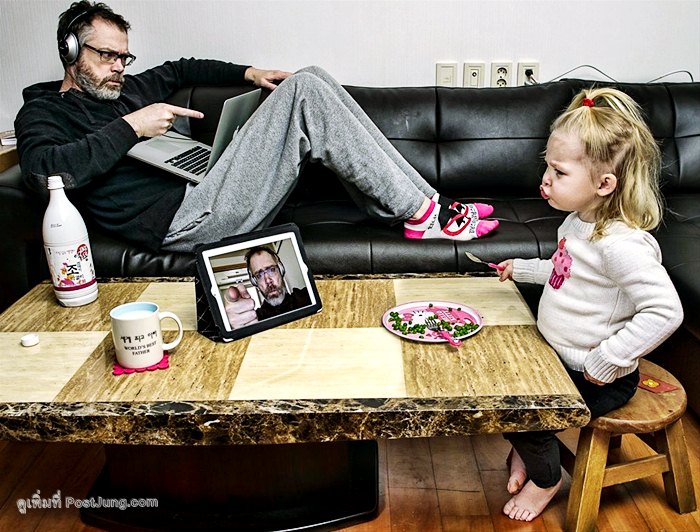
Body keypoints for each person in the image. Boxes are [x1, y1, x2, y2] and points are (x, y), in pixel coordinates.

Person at [15, 1, 499, 257]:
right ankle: (422, 214)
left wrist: (250, 72)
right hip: (182, 220)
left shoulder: (127, 88)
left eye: (124, 56)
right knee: (304, 92)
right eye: (106, 55)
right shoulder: (44, 112)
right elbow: (44, 173)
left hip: (204, 184)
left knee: (311, 75)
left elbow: (183, 67)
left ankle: (427, 204)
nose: (120, 67)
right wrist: (131, 127)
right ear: (70, 51)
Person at [495, 87, 683, 522]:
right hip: (558, 357)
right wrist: (524, 269)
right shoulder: (577, 223)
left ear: (604, 184)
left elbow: (665, 311)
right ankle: (528, 449)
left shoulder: (621, 246)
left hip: (597, 375)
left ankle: (546, 479)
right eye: (547, 165)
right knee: (500, 390)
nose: (545, 179)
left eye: (559, 171)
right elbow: (566, 271)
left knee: (522, 414)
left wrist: (608, 358)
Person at [223, 246, 311, 328]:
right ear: (255, 282)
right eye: (259, 275)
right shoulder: (255, 320)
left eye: (272, 270)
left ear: (281, 270)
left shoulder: (308, 296)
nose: (268, 280)